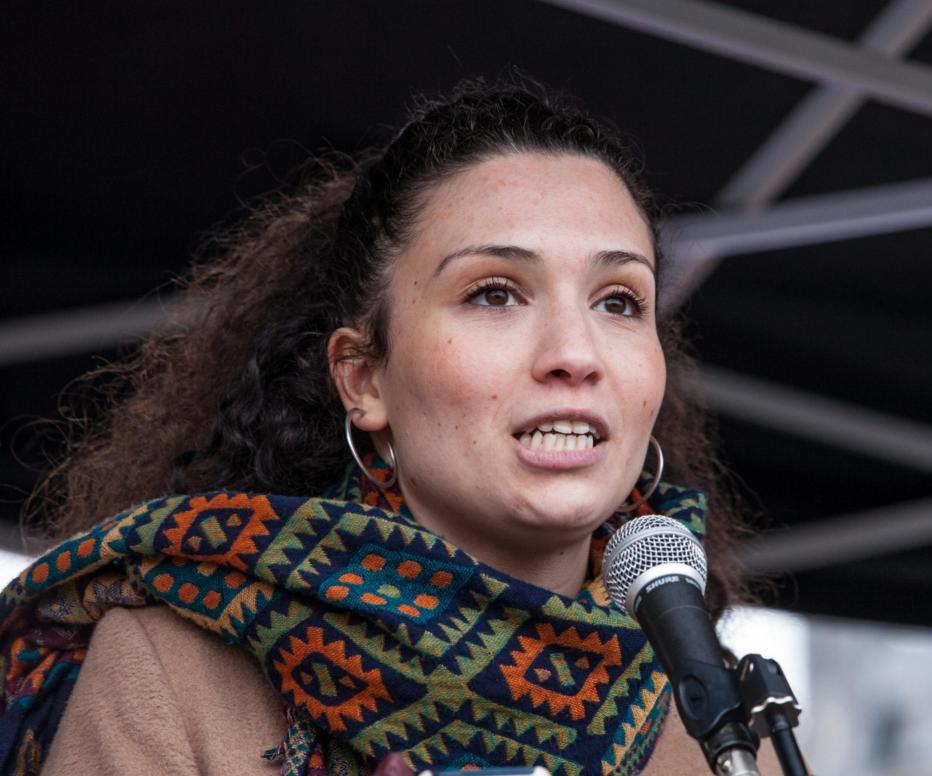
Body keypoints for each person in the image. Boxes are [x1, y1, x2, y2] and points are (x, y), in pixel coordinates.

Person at [0, 77, 772, 775]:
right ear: (363, 378)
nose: (576, 354)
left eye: (620, 302)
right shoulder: (169, 675)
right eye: (496, 294)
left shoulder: (726, 731)